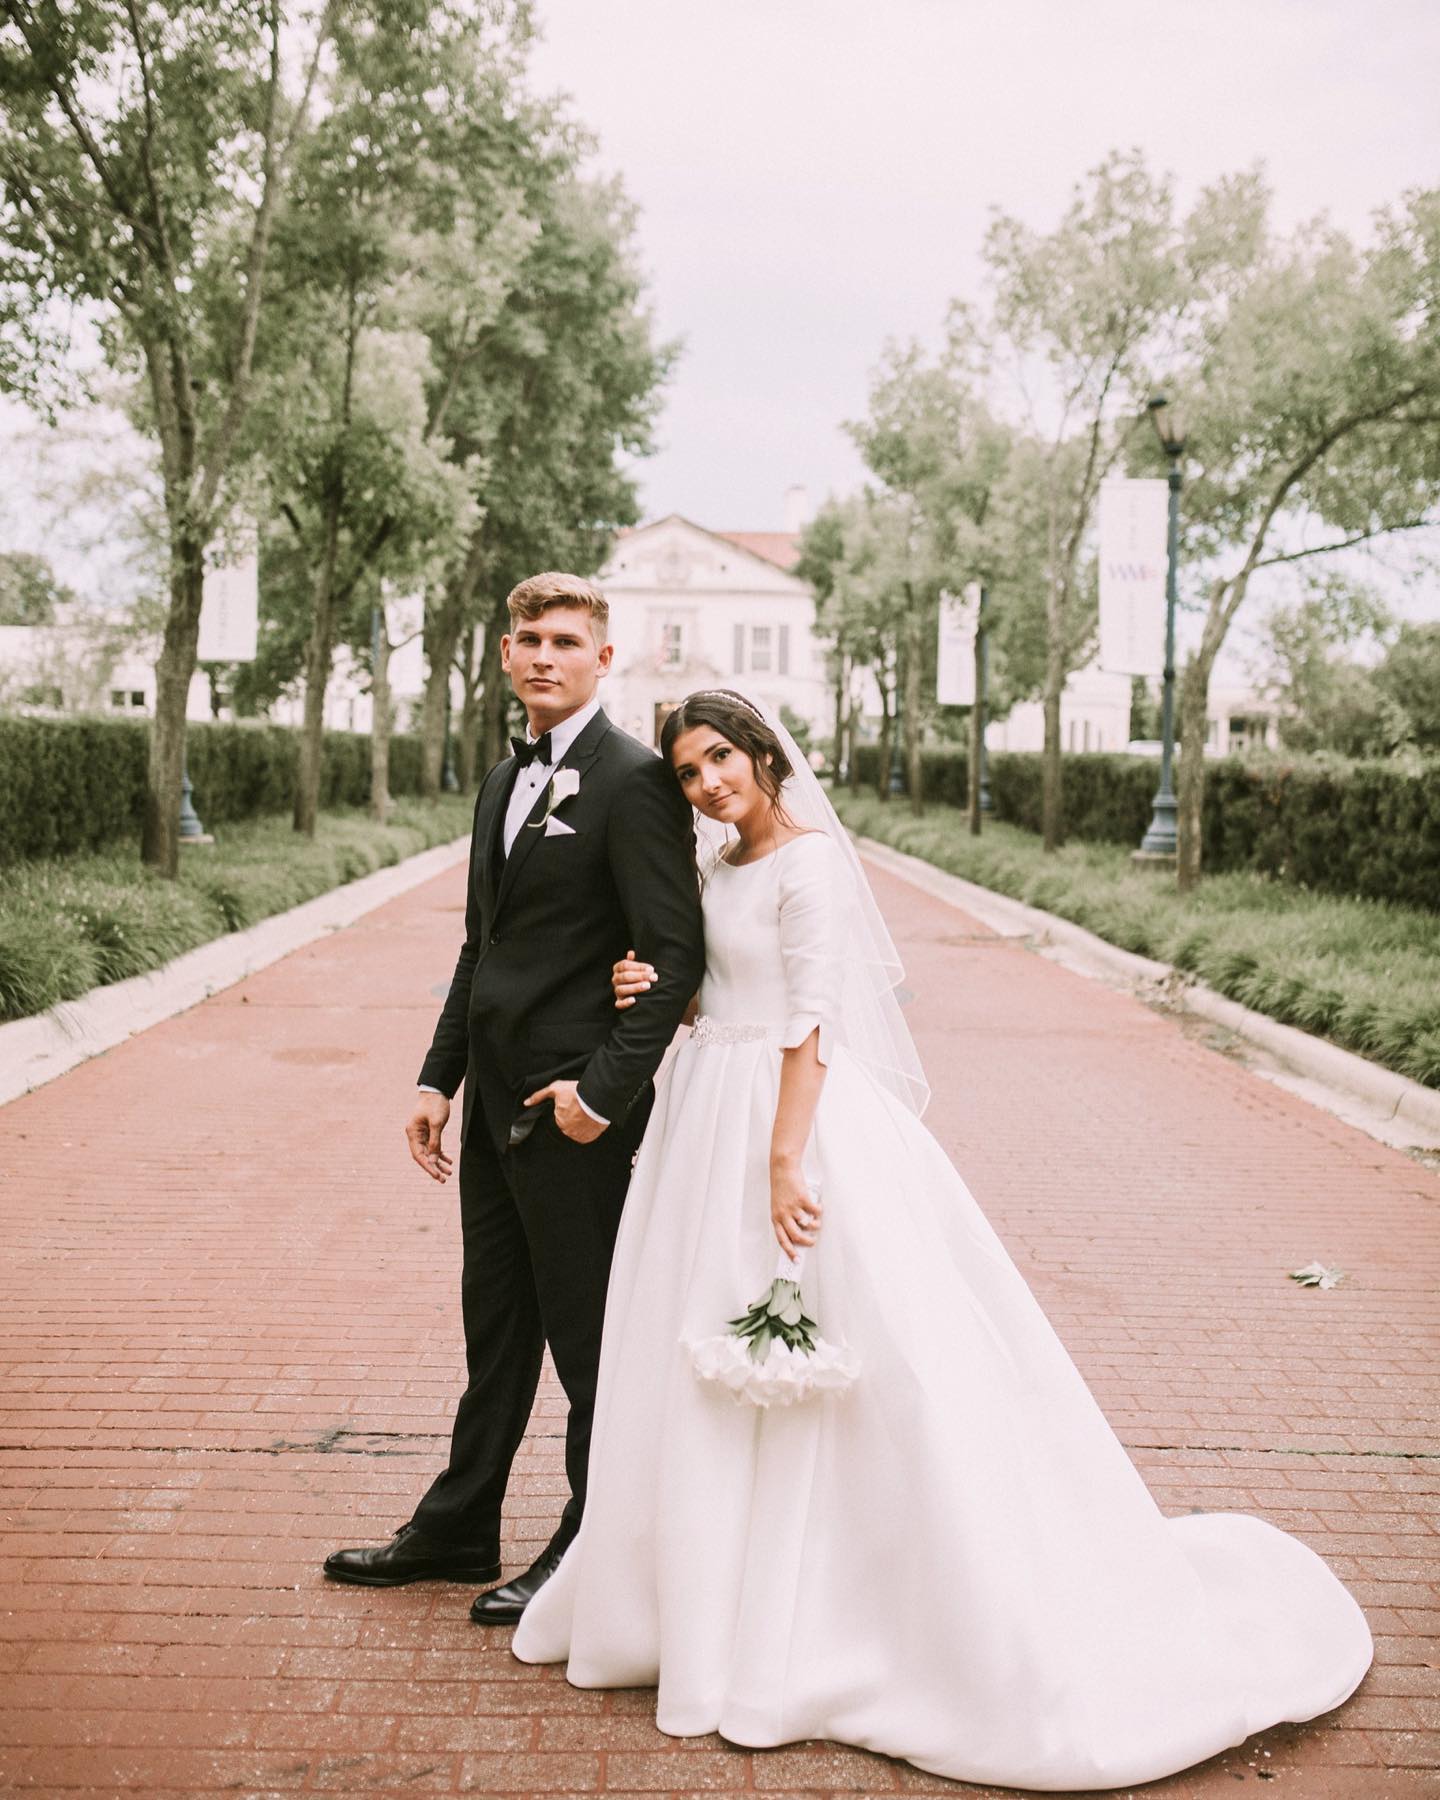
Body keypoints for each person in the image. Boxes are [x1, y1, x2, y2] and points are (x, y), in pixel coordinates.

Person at [511, 688, 1373, 1793]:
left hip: (792, 1122)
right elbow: (719, 990)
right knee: (699, 1357)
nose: (709, 782)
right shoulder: (718, 870)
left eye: (721, 757)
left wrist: (786, 1160)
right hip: (701, 1123)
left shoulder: (812, 864)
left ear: (765, 753)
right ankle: (702, 1608)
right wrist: (654, 992)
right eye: (687, 772)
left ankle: (840, 1613)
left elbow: (812, 1017)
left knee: (851, 1361)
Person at [324, 574, 704, 1623]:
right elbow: (478, 947)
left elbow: (673, 959)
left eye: (567, 641)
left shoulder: (631, 782)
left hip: (572, 1112)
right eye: (529, 638)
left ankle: (587, 1542)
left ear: (604, 659)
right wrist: (433, 1078)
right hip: (490, 1110)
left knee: (587, 1341)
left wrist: (601, 1095)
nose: (545, 656)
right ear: (503, 653)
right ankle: (456, 1527)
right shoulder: (503, 780)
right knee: (495, 1326)